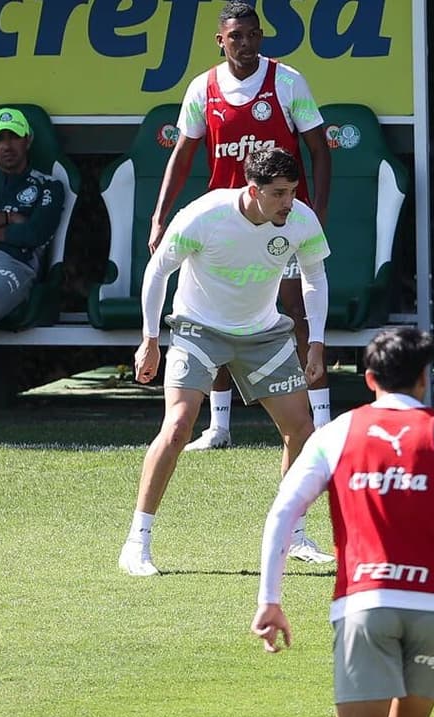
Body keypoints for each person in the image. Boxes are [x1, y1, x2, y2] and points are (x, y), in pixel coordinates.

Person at [252, 327, 434, 717]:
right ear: (423, 378)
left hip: (365, 601)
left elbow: (283, 510)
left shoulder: (336, 434)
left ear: (369, 379)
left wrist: (270, 600)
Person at [118, 147, 332, 576]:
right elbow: (157, 271)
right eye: (278, 194)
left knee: (302, 429)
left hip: (264, 334)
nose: (288, 202)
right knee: (178, 425)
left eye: (292, 192)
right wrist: (150, 340)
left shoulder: (301, 220)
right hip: (197, 329)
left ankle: (293, 535)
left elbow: (315, 277)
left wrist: (317, 344)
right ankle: (136, 544)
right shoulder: (204, 215)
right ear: (253, 190)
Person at [150, 0, 333, 453]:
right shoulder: (202, 88)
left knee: (297, 310)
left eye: (253, 35)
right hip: (225, 225)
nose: (246, 44)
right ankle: (219, 426)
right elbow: (184, 154)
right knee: (217, 317)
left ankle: (323, 423)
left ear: (261, 36)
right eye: (236, 37)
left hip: (279, 220)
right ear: (221, 40)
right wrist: (159, 216)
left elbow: (320, 150)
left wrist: (318, 212)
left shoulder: (287, 82)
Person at [0, 108, 64, 355]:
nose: (7, 145)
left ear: (28, 139)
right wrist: (8, 217)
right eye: (0, 139)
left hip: (13, 263)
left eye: (14, 137)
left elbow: (34, 235)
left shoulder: (49, 185)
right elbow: (21, 228)